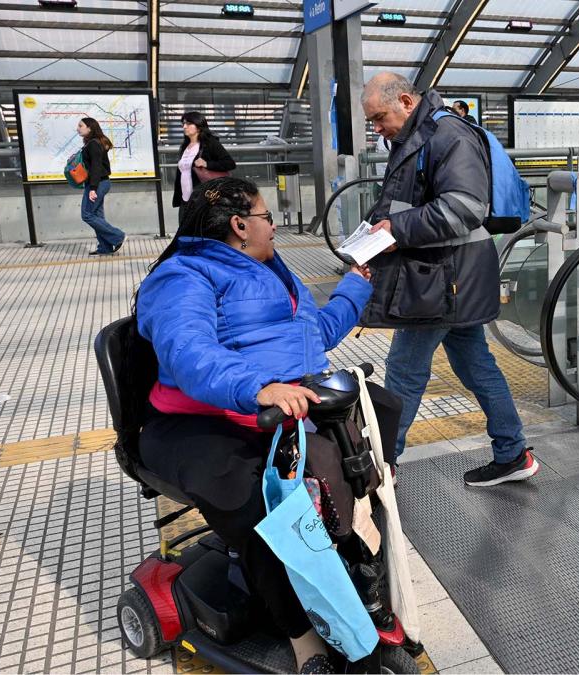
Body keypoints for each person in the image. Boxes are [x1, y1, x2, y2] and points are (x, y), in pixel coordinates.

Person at [135, 177, 376, 673]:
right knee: (267, 506)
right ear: (241, 225)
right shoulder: (183, 276)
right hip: (198, 420)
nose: (275, 228)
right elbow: (188, 352)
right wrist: (259, 386)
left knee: (369, 444)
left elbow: (317, 334)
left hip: (277, 409)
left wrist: (356, 283)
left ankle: (350, 567)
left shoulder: (272, 271)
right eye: (269, 217)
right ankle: (303, 640)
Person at [359, 72, 539, 487]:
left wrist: (396, 231)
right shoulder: (417, 136)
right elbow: (409, 199)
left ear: (406, 101)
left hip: (446, 275)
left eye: (380, 117)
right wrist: (377, 227)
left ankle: (382, 469)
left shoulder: (446, 135)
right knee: (474, 362)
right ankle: (512, 452)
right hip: (445, 272)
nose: (377, 127)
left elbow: (464, 207)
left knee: (404, 368)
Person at [77, 117, 126, 255]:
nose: (78, 128)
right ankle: (105, 247)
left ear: (90, 128)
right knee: (97, 216)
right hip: (99, 182)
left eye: (81, 126)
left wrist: (93, 188)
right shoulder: (94, 143)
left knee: (87, 215)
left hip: (98, 183)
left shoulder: (93, 144)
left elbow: (96, 167)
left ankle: (118, 236)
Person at [172, 111, 236, 208]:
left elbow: (230, 163)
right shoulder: (185, 146)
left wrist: (207, 164)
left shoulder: (210, 143)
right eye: (183, 124)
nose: (184, 127)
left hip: (203, 199)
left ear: (199, 125)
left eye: (188, 124)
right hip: (185, 200)